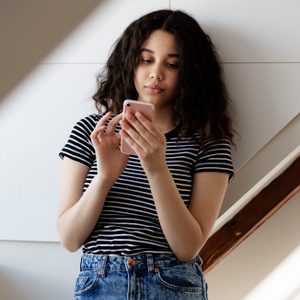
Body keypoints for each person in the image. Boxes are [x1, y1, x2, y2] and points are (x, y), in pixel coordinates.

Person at [57, 9, 234, 300]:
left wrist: (156, 168)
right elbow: (70, 238)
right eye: (146, 60)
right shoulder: (93, 131)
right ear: (129, 62)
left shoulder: (209, 142)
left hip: (171, 283)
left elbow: (188, 247)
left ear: (190, 71)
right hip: (101, 281)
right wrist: (104, 177)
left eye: (173, 64)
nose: (156, 73)